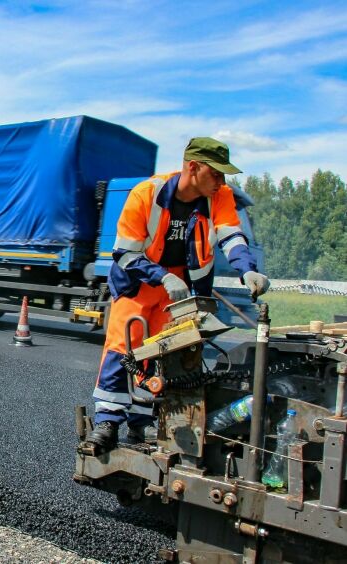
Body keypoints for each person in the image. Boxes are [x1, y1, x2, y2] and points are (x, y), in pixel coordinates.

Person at [88, 137, 270, 450]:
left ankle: (141, 424)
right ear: (193, 167)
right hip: (139, 282)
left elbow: (231, 236)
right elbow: (125, 254)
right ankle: (107, 422)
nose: (222, 182)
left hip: (180, 290)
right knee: (123, 348)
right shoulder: (147, 194)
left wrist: (247, 269)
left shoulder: (220, 197)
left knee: (161, 356)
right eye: (216, 173)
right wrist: (161, 277)